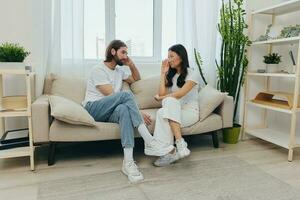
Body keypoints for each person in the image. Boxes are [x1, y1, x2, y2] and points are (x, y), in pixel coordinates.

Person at [83, 40, 174, 183]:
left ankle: (128, 162)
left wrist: (131, 64)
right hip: (94, 108)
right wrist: (138, 112)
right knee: (125, 96)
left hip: (111, 110)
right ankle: (150, 140)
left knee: (124, 110)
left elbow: (136, 79)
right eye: (123, 52)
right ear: (113, 52)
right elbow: (112, 95)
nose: (125, 56)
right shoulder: (98, 70)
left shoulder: (119, 71)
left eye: (127, 53)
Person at [152, 44, 200, 167]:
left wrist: (161, 98)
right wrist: (163, 73)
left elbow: (180, 94)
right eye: (168, 56)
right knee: (161, 112)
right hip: (175, 111)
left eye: (172, 56)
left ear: (181, 57)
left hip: (190, 112)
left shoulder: (193, 73)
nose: (169, 59)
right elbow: (162, 92)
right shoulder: (173, 75)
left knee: (170, 100)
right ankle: (171, 152)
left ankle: (179, 143)